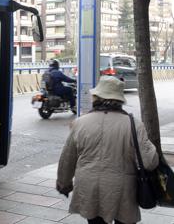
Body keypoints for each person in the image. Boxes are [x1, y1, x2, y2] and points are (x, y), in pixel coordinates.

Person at [56, 76, 158, 224]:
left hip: (88, 187)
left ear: (96, 96)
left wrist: (64, 183)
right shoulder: (133, 124)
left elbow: (67, 158)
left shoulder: (80, 123)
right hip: (121, 190)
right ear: (120, 99)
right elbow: (150, 162)